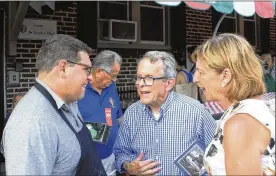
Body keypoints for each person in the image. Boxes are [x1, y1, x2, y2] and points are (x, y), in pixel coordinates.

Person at [1, 34, 106, 175]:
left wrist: (107, 133)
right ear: (63, 68)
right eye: (86, 69)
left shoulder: (68, 100)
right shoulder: (32, 124)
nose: (89, 76)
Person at [113, 51, 216, 175]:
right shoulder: (132, 113)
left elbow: (217, 156)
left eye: (149, 78)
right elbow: (120, 153)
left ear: (168, 83)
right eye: (139, 78)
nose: (140, 84)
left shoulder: (196, 112)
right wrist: (128, 166)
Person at [192, 33, 275, 175]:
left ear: (225, 76)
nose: (195, 79)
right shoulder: (256, 107)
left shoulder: (240, 124)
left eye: (201, 72)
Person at [78, 50, 123, 175]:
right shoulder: (78, 88)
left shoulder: (111, 87)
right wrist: (102, 132)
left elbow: (118, 116)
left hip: (111, 158)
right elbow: (70, 127)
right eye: (113, 75)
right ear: (98, 72)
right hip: (88, 162)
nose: (115, 80)